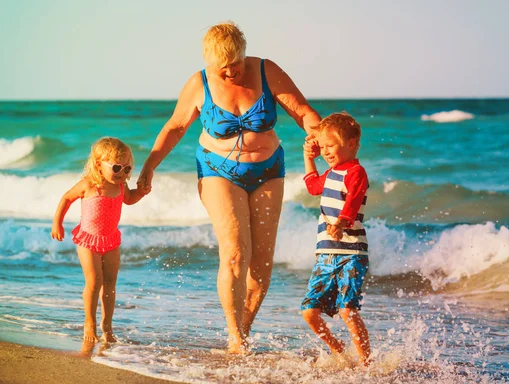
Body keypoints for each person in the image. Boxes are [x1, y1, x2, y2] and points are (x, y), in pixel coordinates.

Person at [136, 22, 321, 353]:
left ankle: (244, 330)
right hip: (217, 170)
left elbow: (303, 112)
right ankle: (234, 336)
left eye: (236, 64)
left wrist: (323, 137)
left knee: (261, 266)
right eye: (223, 69)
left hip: (269, 170)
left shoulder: (266, 70)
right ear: (209, 62)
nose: (231, 72)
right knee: (236, 253)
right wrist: (149, 167)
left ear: (243, 53)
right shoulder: (199, 83)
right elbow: (176, 127)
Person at [51, 137, 147, 343]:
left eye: (127, 169)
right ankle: (89, 322)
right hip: (88, 241)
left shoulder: (121, 186)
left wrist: (140, 192)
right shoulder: (88, 185)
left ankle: (107, 325)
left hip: (111, 241)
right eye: (116, 168)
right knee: (94, 282)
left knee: (110, 284)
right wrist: (57, 223)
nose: (122, 173)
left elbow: (129, 200)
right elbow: (67, 198)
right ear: (98, 165)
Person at [301, 112, 371, 366]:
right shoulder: (330, 174)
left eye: (330, 145)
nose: (325, 151)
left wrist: (342, 222)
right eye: (322, 146)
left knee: (347, 310)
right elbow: (312, 186)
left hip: (352, 253)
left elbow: (353, 199)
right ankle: (339, 350)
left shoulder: (356, 171)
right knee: (309, 311)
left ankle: (366, 363)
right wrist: (309, 158)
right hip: (325, 254)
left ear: (351, 143)